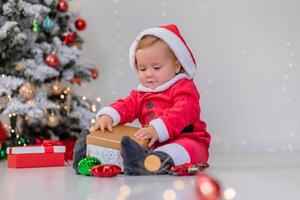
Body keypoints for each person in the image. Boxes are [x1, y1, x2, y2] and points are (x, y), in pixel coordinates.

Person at [73, 24, 211, 175]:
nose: (149, 74)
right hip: (152, 142)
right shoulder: (142, 94)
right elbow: (126, 105)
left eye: (156, 68)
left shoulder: (183, 87)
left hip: (187, 140)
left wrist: (157, 129)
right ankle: (87, 155)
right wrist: (109, 116)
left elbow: (184, 111)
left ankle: (146, 164)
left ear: (177, 66)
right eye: (142, 69)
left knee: (176, 151)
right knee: (128, 146)